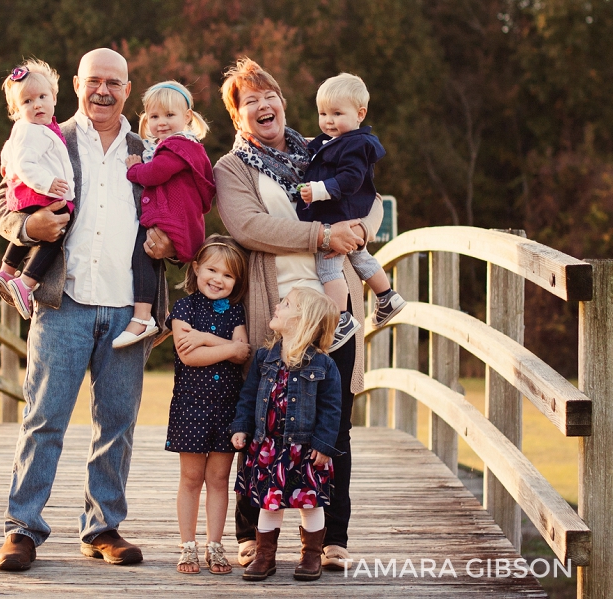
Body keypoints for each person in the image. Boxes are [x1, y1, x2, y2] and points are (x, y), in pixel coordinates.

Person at [0, 48, 176, 572]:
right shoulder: (49, 134)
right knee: (45, 417)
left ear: (128, 88)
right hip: (63, 302)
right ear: (76, 84)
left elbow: (179, 213)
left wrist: (171, 245)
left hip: (128, 310)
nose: (103, 91)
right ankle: (23, 528)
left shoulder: (149, 150)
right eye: (94, 81)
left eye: (114, 83)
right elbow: (2, 201)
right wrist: (27, 230)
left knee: (117, 421)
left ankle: (102, 527)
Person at [213, 57, 385, 571]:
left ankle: (333, 538)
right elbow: (248, 226)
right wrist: (322, 234)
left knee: (335, 425)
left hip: (332, 307)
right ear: (237, 117)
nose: (263, 105)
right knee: (265, 419)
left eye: (270, 96)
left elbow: (367, 194)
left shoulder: (323, 148)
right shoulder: (232, 168)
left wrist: (362, 228)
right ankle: (253, 534)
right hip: (277, 309)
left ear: (284, 103)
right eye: (249, 101)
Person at [230, 286, 342, 582]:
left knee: (311, 502)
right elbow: (249, 395)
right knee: (269, 503)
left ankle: (310, 555)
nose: (277, 306)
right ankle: (265, 556)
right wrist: (241, 427)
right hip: (268, 448)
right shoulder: (264, 358)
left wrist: (324, 444)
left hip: (305, 450)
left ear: (302, 320)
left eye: (286, 304)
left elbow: (332, 410)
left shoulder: (323, 365)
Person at [297, 72, 405, 349]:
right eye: (322, 113)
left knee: (328, 267)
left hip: (338, 214)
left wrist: (320, 189)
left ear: (360, 114)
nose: (328, 121)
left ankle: (341, 318)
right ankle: (387, 296)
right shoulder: (336, 140)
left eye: (336, 113)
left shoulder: (355, 145)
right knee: (359, 255)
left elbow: (351, 178)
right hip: (345, 212)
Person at [165, 236, 251, 574]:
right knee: (190, 478)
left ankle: (215, 545)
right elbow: (190, 356)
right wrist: (228, 347)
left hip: (227, 408)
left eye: (228, 275)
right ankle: (188, 545)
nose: (218, 279)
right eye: (212, 269)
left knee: (218, 478)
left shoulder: (237, 310)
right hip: (191, 407)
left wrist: (205, 338)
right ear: (196, 267)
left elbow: (245, 352)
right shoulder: (184, 309)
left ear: (237, 282)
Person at [113, 81, 216, 348]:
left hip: (175, 219)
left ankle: (144, 316)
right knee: (146, 256)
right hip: (177, 218)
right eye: (154, 116)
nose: (161, 122)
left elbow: (155, 173)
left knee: (142, 252)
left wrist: (134, 170)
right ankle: (162, 317)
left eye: (170, 115)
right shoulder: (169, 146)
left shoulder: (179, 147)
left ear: (187, 117)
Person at [0, 59, 75, 320]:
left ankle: (7, 270)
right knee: (57, 232)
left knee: (46, 230)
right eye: (27, 102)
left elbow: (9, 151)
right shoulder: (33, 130)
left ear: (54, 98)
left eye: (41, 97)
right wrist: (46, 183)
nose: (36, 104)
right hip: (38, 193)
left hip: (31, 192)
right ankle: (26, 282)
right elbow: (24, 164)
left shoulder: (31, 129)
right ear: (17, 110)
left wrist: (6, 164)